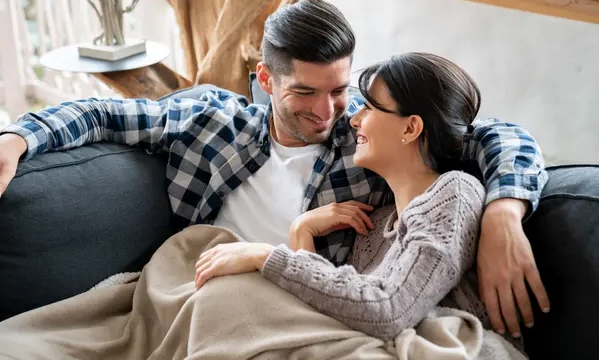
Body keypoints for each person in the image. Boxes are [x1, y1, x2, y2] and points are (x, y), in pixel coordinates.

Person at [0, 0, 549, 338]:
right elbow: (106, 112)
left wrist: (504, 211)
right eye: (305, 94)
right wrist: (16, 139)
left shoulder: (371, 138)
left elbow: (491, 135)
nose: (327, 112)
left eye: (340, 90)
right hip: (203, 291)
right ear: (265, 80)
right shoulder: (210, 120)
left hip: (299, 311)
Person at [193, 53, 525, 356]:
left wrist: (265, 255)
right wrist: (302, 229)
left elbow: (388, 309)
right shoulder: (374, 226)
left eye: (369, 108)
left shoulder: (454, 193)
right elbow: (332, 313)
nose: (354, 120)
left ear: (410, 128)